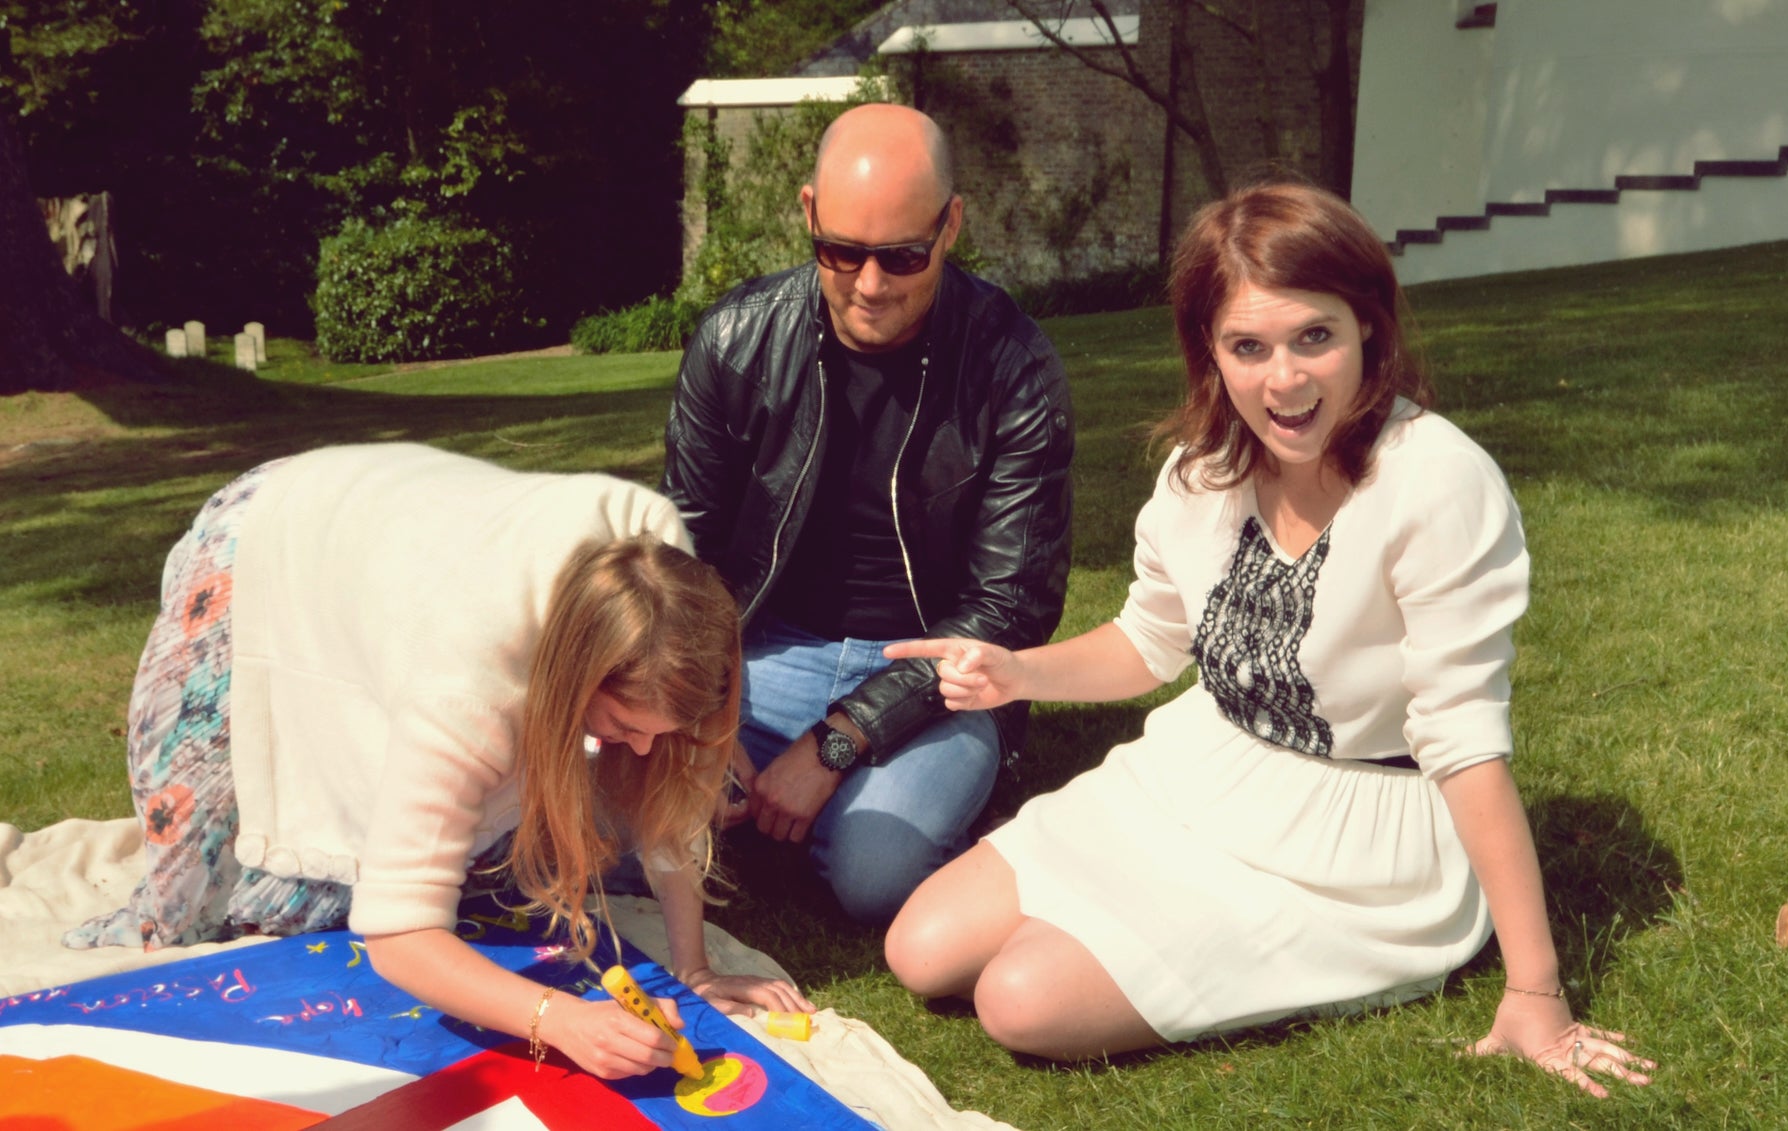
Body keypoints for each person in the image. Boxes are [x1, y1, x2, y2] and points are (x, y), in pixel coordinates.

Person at [881, 184, 1656, 1096]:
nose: (1282, 381)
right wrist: (1016, 672)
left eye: (1313, 338)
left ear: (1368, 325)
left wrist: (1536, 989)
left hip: (1358, 844)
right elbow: (1149, 640)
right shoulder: (1201, 470)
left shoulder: (1439, 485)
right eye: (1247, 347)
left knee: (1019, 999)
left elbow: (1466, 742)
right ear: (1209, 350)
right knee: (919, 948)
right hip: (1196, 776)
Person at [66, 442, 812, 1080]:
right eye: (623, 724)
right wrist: (557, 1020)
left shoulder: (661, 580)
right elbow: (395, 934)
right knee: (194, 908)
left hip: (404, 532)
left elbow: (662, 799)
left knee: (403, 881)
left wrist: (695, 969)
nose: (644, 749)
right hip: (270, 537)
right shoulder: (469, 686)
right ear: (573, 677)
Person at [661, 102, 1074, 923]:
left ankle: (828, 818)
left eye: (904, 256)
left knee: (874, 875)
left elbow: (1009, 607)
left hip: (941, 679)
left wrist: (837, 742)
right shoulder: (735, 340)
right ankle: (788, 814)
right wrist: (706, 711)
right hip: (765, 656)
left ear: (951, 226)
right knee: (615, 806)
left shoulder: (1013, 366)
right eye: (841, 252)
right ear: (809, 212)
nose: (871, 284)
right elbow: (684, 552)